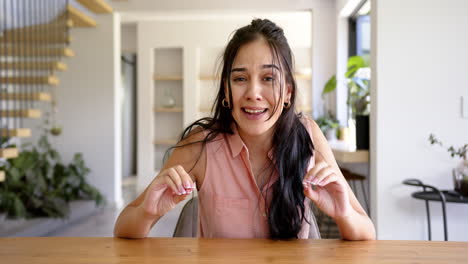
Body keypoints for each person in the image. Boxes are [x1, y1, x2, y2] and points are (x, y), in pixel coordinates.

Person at [114, 18, 375, 240]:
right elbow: (123, 227)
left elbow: (367, 232)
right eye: (240, 78)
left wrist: (344, 214)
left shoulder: (307, 134)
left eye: (268, 78)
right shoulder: (199, 146)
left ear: (287, 92)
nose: (253, 93)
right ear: (226, 91)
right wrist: (148, 213)